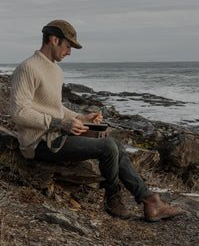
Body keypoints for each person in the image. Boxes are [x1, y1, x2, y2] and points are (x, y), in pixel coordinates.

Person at [9, 19, 182, 221]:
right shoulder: (28, 68)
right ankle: (112, 198)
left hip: (56, 137)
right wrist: (59, 123)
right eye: (68, 46)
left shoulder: (55, 70)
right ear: (54, 40)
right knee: (108, 146)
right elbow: (19, 112)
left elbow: (54, 107)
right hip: (38, 143)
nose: (70, 52)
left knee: (116, 144)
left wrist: (79, 117)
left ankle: (150, 201)